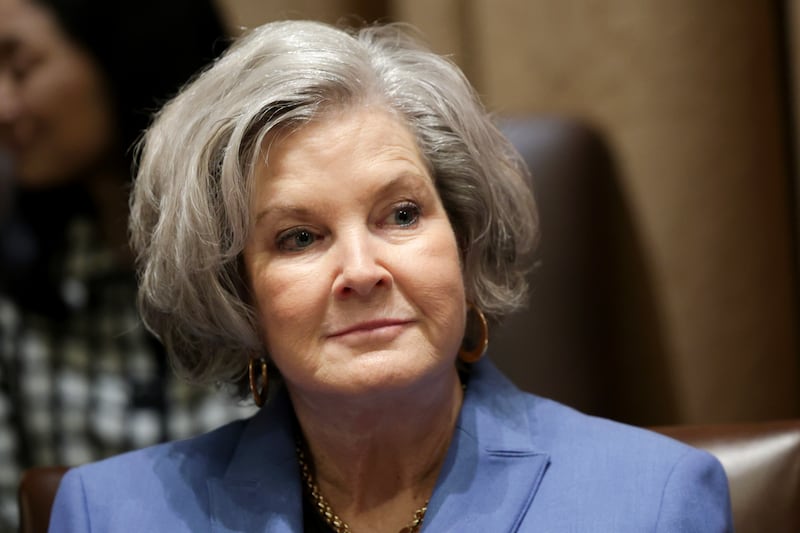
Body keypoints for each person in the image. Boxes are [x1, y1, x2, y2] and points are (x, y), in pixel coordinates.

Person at [49, 19, 733, 532]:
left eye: (401, 215)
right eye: (299, 237)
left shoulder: (652, 500)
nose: (361, 270)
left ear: (463, 239)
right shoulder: (108, 514)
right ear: (235, 291)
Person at [0, 0, 256, 529]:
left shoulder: (270, 262)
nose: (3, 106)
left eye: (20, 68)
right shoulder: (21, 283)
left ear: (125, 51)